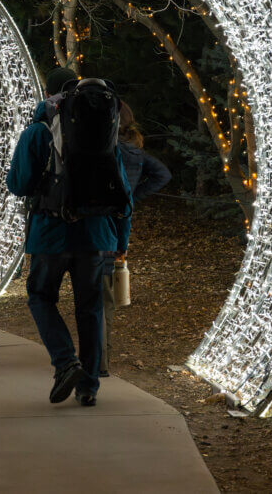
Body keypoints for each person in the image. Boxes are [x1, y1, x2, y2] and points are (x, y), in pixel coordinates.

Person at [7, 67, 131, 407]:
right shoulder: (102, 131)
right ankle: (88, 387)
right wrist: (120, 239)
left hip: (50, 233)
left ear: (49, 92)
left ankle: (65, 361)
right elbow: (121, 190)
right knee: (89, 309)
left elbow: (18, 184)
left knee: (40, 296)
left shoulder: (39, 130)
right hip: (95, 235)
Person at [99, 100, 171, 377]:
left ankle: (97, 361)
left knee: (95, 297)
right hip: (118, 230)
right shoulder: (134, 152)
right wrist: (132, 197)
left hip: (97, 228)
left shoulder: (105, 150)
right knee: (104, 298)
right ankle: (101, 358)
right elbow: (163, 174)